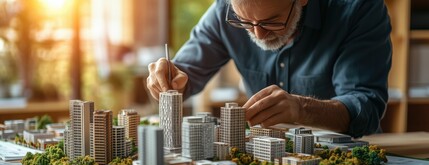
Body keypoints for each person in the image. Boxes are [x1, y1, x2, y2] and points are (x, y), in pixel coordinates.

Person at [146, 0, 392, 138]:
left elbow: (366, 108)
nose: (258, 34)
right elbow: (183, 76)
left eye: (271, 21)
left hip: (346, 161)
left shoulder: (359, 9)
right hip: (268, 158)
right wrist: (166, 81)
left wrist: (301, 109)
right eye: (244, 22)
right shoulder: (224, 11)